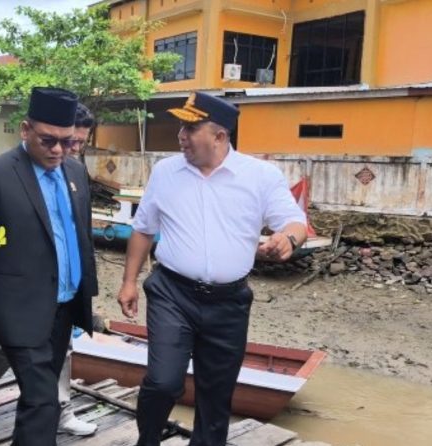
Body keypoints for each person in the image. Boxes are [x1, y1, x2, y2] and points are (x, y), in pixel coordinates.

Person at [117, 92, 308, 446]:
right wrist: (129, 282)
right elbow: (143, 228)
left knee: (216, 394)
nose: (181, 135)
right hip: (172, 292)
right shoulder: (165, 172)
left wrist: (288, 240)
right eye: (181, 126)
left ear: (219, 135)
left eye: (190, 128)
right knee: (163, 382)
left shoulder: (260, 176)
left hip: (229, 301)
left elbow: (296, 222)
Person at [0, 87, 98, 445]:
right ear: (24, 130)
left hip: (64, 307)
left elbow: (80, 235)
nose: (57, 150)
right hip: (18, 305)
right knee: (42, 399)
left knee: (41, 402)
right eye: (48, 140)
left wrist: (86, 295)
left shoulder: (76, 173)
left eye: (67, 142)